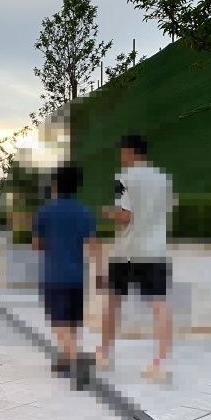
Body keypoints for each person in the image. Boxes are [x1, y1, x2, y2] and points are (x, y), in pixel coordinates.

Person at [96, 133, 174, 382]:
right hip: (155, 249)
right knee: (160, 304)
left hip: (128, 251)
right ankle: (160, 364)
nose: (121, 157)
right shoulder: (163, 180)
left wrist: (107, 213)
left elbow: (125, 216)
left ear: (130, 152)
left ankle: (104, 354)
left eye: (122, 152)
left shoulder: (125, 178)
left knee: (112, 301)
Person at [32, 163, 100, 383]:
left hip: (55, 276)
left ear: (55, 184)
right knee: (72, 320)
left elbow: (37, 245)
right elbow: (93, 246)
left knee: (59, 322)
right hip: (78, 277)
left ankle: (76, 358)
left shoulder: (45, 211)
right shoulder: (84, 212)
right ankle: (65, 357)